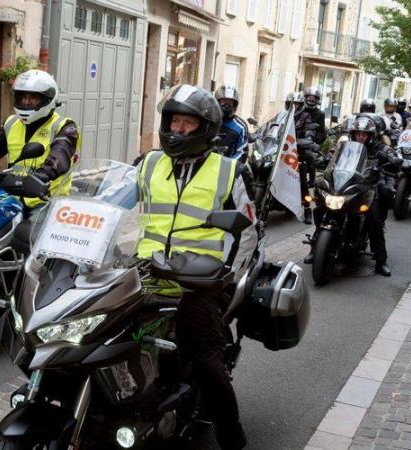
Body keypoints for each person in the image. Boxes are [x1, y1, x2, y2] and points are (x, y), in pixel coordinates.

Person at [137, 84, 257, 450]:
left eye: (187, 123)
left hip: (197, 282)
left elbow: (247, 232)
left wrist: (223, 277)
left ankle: (231, 435)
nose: (178, 130)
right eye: (174, 121)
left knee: (207, 361)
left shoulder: (228, 171)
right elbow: (115, 204)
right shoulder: (150, 163)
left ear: (205, 128)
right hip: (145, 272)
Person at [0, 69, 80, 217]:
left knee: (29, 236)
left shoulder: (64, 127)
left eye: (33, 98)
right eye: (23, 97)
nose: (26, 102)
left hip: (47, 202)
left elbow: (59, 158)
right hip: (13, 198)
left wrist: (42, 175)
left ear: (47, 99)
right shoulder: (12, 123)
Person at [304, 116, 395, 275]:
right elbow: (331, 157)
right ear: (353, 134)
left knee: (374, 220)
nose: (361, 137)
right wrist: (323, 159)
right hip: (344, 185)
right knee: (322, 208)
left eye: (364, 134)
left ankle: (381, 260)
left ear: (371, 135)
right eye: (358, 134)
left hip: (367, 188)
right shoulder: (344, 146)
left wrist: (389, 159)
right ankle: (315, 248)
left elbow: (393, 158)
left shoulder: (380, 148)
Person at [214, 85, 249, 160]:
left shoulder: (240, 126)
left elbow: (242, 152)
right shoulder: (209, 120)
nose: (227, 105)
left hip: (226, 167)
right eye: (224, 101)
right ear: (217, 102)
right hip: (205, 164)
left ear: (235, 104)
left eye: (230, 102)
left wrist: (227, 164)